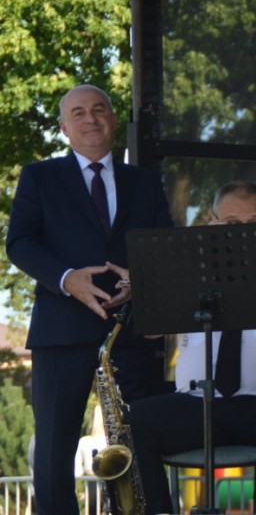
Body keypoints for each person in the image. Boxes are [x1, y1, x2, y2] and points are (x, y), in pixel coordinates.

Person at [6, 84, 173, 515]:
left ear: (113, 120)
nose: (90, 118)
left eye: (99, 109)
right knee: (53, 453)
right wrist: (67, 280)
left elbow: (164, 244)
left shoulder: (145, 182)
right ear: (64, 127)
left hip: (131, 332)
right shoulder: (39, 176)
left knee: (142, 446)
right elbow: (19, 243)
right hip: (61, 334)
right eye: (78, 113)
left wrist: (142, 281)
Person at [125, 180, 256, 514]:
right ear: (213, 222)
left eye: (255, 224)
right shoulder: (188, 266)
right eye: (232, 224)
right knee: (134, 423)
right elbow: (151, 332)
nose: (244, 233)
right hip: (199, 405)